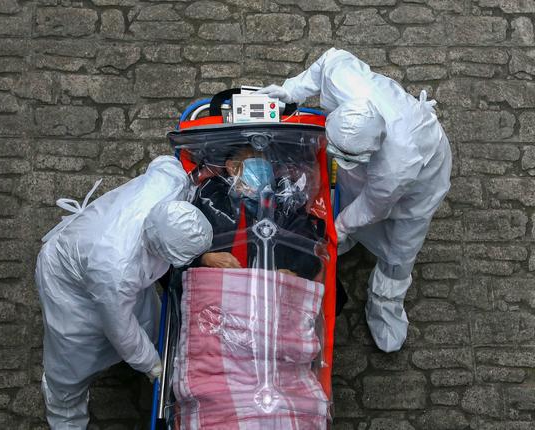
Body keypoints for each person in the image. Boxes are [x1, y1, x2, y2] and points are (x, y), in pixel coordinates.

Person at [259, 48, 452, 352]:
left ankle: (385, 303)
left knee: (401, 247)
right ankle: (348, 242)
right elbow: (326, 63)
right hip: (374, 167)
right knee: (348, 191)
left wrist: (339, 227)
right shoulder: (344, 79)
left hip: (421, 182)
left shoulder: (398, 165)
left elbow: (372, 207)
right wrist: (290, 89)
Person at [35, 156, 213, 429]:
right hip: (68, 281)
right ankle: (66, 413)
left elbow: (164, 162)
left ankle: (145, 357)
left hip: (103, 256)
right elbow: (120, 328)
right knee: (72, 357)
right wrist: (153, 366)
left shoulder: (169, 183)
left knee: (147, 317)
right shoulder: (115, 270)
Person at [190, 146, 325, 280]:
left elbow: (312, 253)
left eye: (265, 159)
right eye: (254, 159)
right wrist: (206, 258)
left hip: (272, 294)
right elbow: (181, 248)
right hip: (220, 292)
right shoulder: (211, 198)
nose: (263, 165)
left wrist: (296, 273)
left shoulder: (286, 202)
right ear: (231, 167)